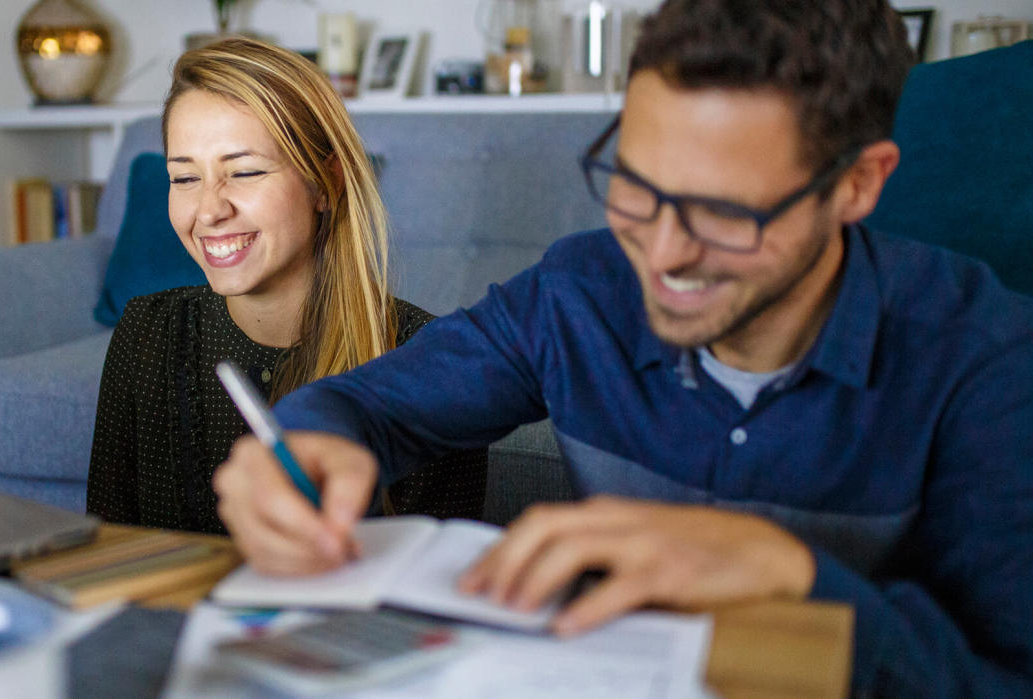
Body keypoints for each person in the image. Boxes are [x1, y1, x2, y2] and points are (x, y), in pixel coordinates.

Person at [212, 2, 1033, 696]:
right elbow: (368, 405)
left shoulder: (986, 357)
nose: (663, 255)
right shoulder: (579, 291)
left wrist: (789, 570)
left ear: (857, 183)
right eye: (635, 187)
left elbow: (1007, 672)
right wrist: (311, 438)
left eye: (723, 212)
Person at [86, 37, 486, 534]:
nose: (209, 211)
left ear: (326, 184)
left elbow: (432, 582)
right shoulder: (145, 333)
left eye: (246, 172)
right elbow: (107, 548)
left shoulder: (427, 362)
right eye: (185, 179)